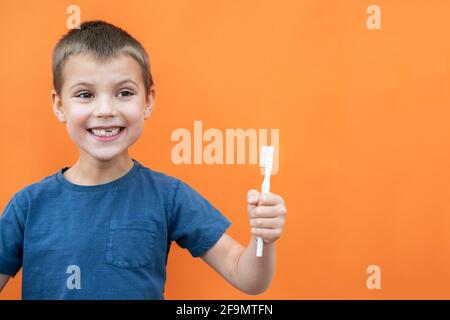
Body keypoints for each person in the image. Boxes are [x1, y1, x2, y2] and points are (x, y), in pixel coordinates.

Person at [0, 20, 287, 299]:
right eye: (85, 94)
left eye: (124, 93)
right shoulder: (27, 207)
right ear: (59, 105)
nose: (105, 110)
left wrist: (265, 238)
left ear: (148, 101)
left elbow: (247, 277)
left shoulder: (169, 196)